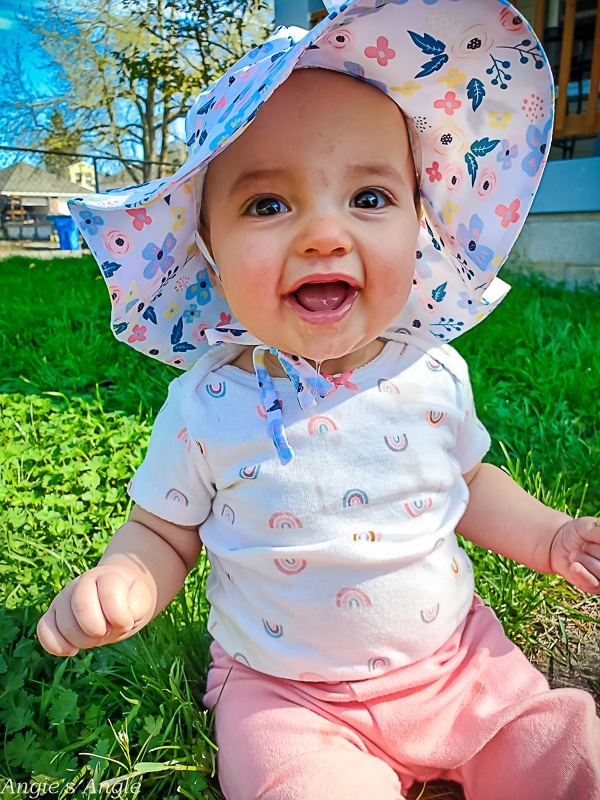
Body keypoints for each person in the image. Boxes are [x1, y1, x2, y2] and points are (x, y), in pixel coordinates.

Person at [37, 1, 600, 798]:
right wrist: (126, 579)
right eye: (268, 205)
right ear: (211, 253)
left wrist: (550, 539)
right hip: (285, 694)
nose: (324, 235)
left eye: (369, 199)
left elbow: (469, 486)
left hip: (456, 661)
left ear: (418, 222)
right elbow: (162, 531)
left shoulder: (432, 374)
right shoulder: (207, 403)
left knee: (561, 747)